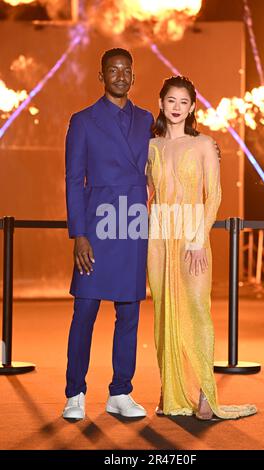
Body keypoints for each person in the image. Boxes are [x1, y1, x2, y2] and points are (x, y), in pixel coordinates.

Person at [146, 76, 257, 420]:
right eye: (170, 101)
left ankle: (206, 394)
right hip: (159, 234)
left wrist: (196, 239)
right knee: (165, 312)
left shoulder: (205, 144)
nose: (177, 108)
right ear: (161, 103)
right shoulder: (151, 146)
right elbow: (148, 193)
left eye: (183, 102)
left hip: (193, 234)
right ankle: (171, 391)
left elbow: (215, 196)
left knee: (196, 311)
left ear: (192, 107)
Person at [62, 48, 153, 420]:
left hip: (132, 225)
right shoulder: (82, 121)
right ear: (101, 77)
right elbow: (72, 179)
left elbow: (168, 152)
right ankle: (74, 392)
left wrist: (206, 147)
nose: (119, 75)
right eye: (112, 70)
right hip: (97, 229)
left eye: (125, 70)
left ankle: (121, 391)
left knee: (129, 312)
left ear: (133, 77)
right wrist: (79, 234)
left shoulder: (148, 119)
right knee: (84, 309)